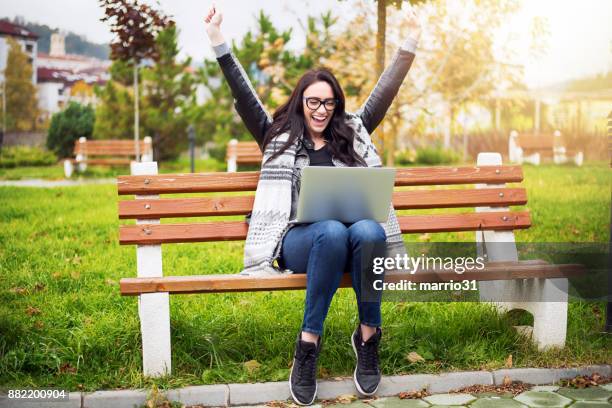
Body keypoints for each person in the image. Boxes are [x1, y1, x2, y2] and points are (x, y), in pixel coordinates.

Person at [204, 5, 421, 405]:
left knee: (369, 229)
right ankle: (308, 346)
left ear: (337, 104)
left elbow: (384, 93)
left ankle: (368, 337)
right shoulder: (277, 134)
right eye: (313, 102)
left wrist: (408, 43)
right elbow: (243, 92)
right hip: (300, 241)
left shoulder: (352, 131)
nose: (321, 111)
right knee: (331, 230)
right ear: (301, 102)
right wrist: (218, 40)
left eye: (329, 103)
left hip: (352, 241)